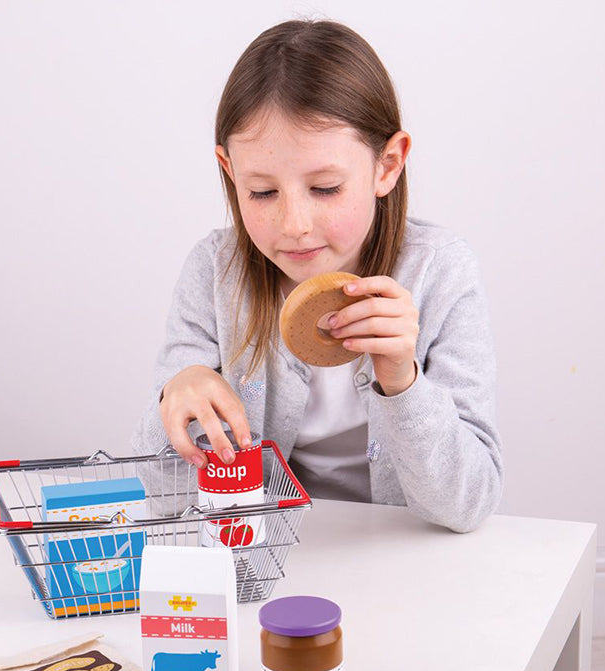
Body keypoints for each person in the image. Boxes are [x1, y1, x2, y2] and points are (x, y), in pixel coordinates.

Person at [132, 18, 503, 533]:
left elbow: (469, 504)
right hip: (270, 559)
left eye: (325, 188)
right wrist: (177, 397)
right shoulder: (216, 273)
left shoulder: (440, 272)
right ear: (230, 171)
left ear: (387, 165)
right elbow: (165, 496)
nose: (294, 226)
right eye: (262, 192)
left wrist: (402, 381)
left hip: (405, 561)